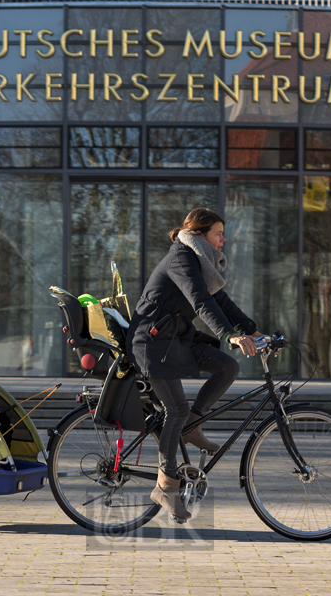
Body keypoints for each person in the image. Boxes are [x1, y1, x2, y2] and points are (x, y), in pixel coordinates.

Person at [127, 207, 261, 521]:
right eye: (218, 233)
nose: (223, 239)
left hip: (174, 340)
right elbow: (200, 300)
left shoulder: (200, 260)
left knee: (227, 367)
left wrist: (253, 331)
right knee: (174, 409)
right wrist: (229, 335)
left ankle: (192, 425)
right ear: (199, 234)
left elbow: (220, 301)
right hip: (152, 343)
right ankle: (166, 485)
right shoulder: (181, 257)